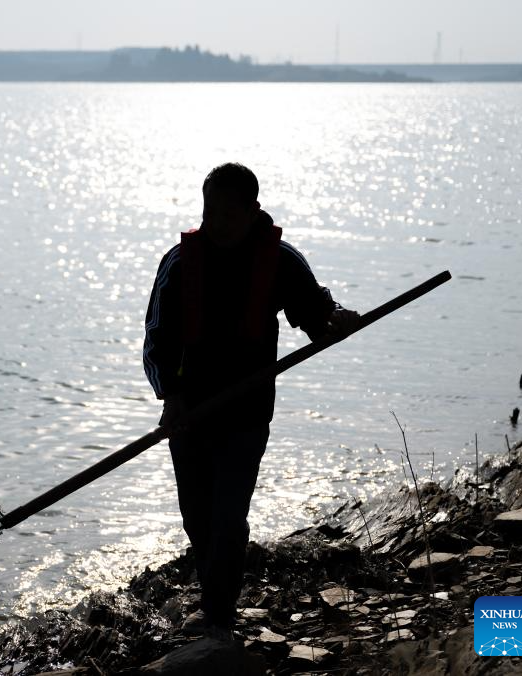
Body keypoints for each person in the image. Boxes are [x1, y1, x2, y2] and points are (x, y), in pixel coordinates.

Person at [142, 162, 359, 640]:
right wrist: (171, 397)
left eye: (227, 213)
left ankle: (218, 613)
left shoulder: (278, 259)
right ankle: (216, 598)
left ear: (252, 210)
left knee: (227, 513)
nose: (217, 223)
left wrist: (336, 320)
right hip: (190, 412)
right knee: (197, 516)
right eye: (209, 212)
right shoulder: (181, 264)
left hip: (246, 410)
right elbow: (156, 338)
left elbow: (315, 312)